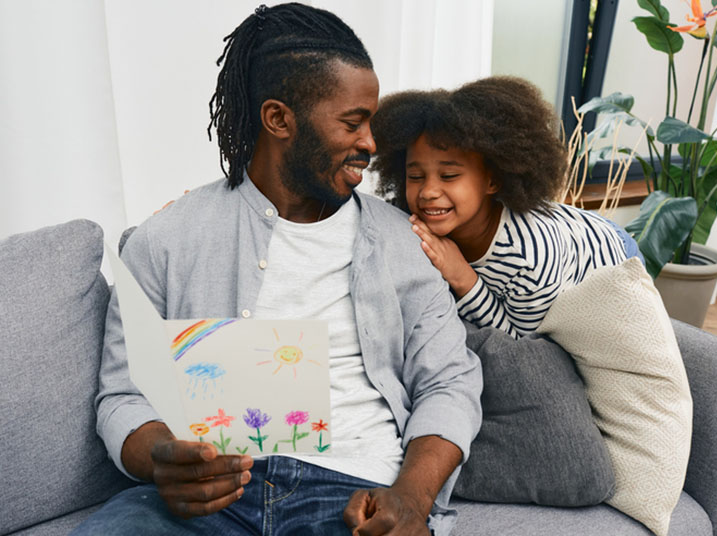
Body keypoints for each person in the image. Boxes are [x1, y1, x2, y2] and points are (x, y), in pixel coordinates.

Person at [73, 4, 482, 535]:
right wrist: (162, 460)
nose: (371, 144)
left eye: (371, 123)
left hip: (354, 497)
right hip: (208, 500)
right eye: (352, 123)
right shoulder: (166, 241)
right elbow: (124, 394)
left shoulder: (403, 244)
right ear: (279, 119)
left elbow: (450, 382)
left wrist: (411, 499)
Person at [371, 76, 645, 339]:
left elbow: (525, 342)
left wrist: (463, 277)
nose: (428, 191)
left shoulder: (529, 260)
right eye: (415, 177)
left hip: (612, 256)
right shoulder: (422, 218)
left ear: (493, 180)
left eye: (449, 176)